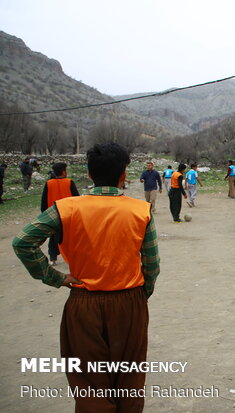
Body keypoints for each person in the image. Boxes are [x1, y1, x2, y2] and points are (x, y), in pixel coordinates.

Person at [13, 142, 160, 412]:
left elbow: (22, 242)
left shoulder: (66, 208)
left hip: (84, 302)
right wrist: (142, 294)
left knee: (90, 385)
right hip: (129, 303)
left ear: (90, 175)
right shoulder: (141, 211)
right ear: (123, 175)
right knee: (129, 380)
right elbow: (151, 263)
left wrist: (54, 277)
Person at [40, 162, 80, 265]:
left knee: (53, 237)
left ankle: (53, 258)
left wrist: (44, 213)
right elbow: (76, 198)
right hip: (67, 213)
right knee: (69, 237)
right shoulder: (69, 182)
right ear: (63, 172)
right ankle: (72, 257)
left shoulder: (49, 183)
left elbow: (44, 200)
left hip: (53, 213)